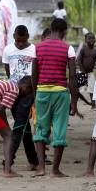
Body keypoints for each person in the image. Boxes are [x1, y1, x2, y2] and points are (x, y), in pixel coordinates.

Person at [32, 18, 78, 177]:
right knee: (59, 129)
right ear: (64, 31)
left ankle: (41, 168)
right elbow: (72, 76)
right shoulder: (68, 48)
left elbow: (34, 74)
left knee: (40, 128)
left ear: (51, 30)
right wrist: (74, 101)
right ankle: (55, 170)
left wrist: (34, 95)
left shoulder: (37, 48)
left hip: (42, 92)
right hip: (60, 93)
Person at [1, 25, 38, 170]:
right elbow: (8, 70)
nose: (21, 44)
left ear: (28, 36)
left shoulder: (34, 49)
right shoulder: (8, 50)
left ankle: (9, 158)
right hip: (13, 91)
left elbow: (37, 72)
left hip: (28, 92)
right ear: (14, 37)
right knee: (23, 126)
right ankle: (33, 160)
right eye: (18, 41)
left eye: (23, 41)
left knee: (18, 127)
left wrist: (32, 90)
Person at [77, 32, 96, 108]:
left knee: (92, 89)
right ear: (85, 40)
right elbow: (79, 60)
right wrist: (82, 71)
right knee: (77, 88)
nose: (91, 39)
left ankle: (93, 104)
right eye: (89, 38)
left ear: (95, 40)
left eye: (93, 38)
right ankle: (74, 103)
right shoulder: (83, 50)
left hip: (90, 73)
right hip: (82, 72)